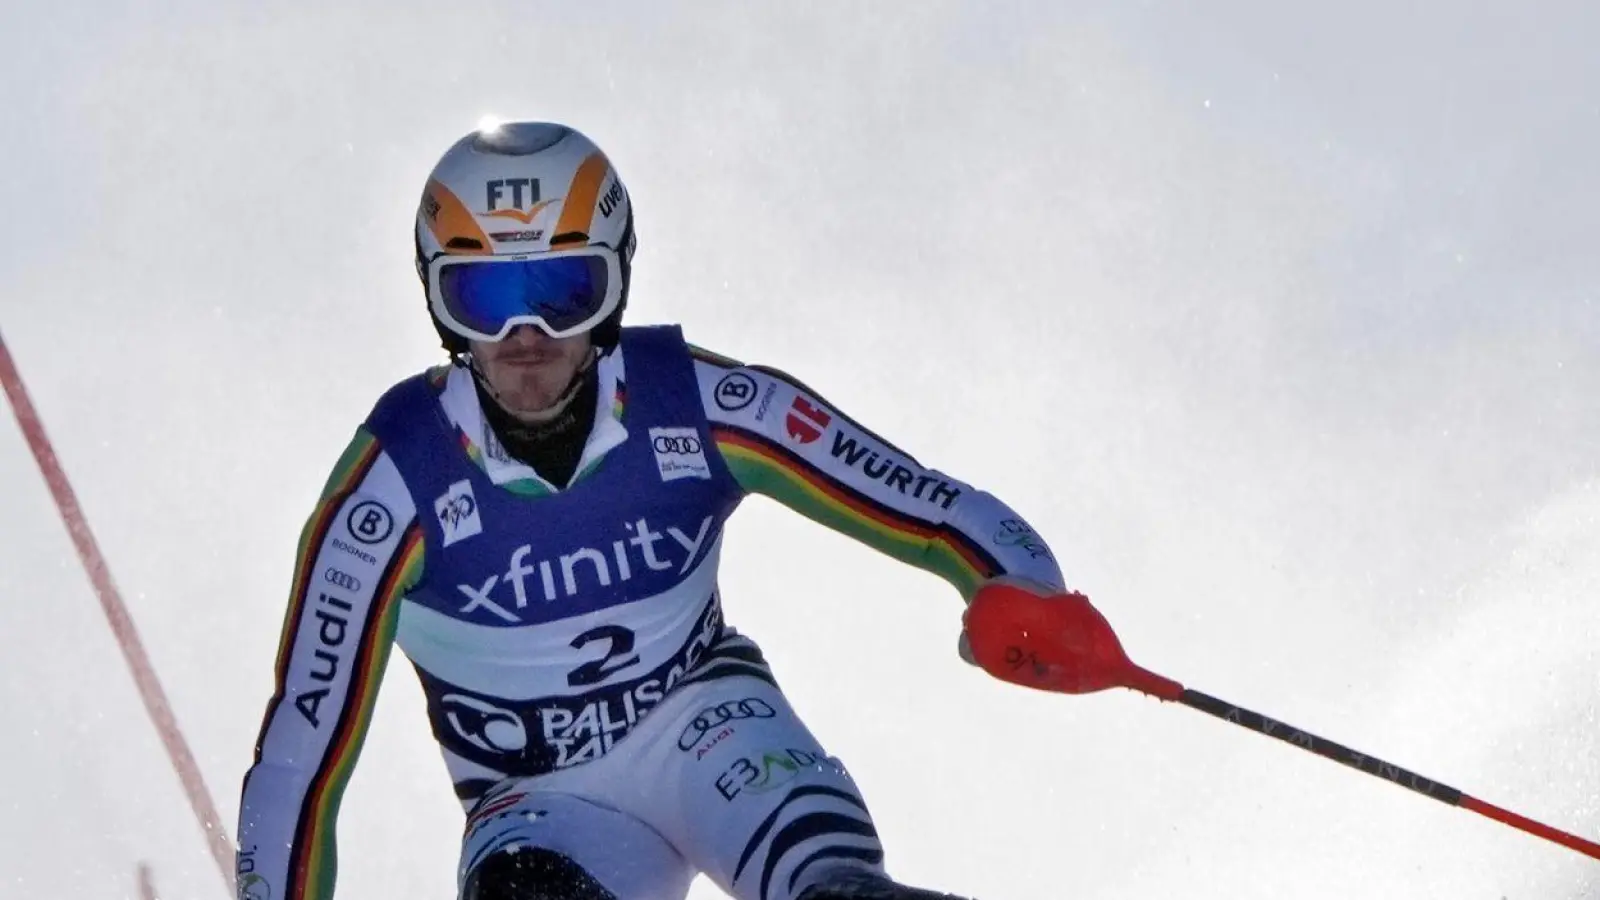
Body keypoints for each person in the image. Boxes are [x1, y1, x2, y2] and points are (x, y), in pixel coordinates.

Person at [236, 121, 1077, 900]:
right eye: (484, 298)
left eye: (565, 289)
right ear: (437, 303)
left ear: (617, 283)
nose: (526, 335)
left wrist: (1024, 588)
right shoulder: (392, 484)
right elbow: (300, 758)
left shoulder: (699, 402)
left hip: (714, 733)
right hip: (540, 803)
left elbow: (928, 503)